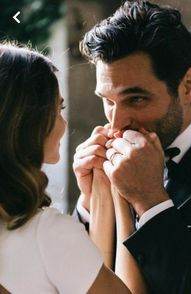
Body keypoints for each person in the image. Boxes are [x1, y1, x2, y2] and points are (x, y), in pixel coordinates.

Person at [73, 1, 191, 293]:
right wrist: (89, 207)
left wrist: (151, 203)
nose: (118, 122)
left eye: (136, 99)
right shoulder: (102, 177)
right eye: (108, 101)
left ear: (188, 85)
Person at [0, 42, 133, 294]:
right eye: (59, 108)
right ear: (31, 120)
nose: (64, 122)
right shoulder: (47, 234)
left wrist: (94, 197)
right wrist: (128, 197)